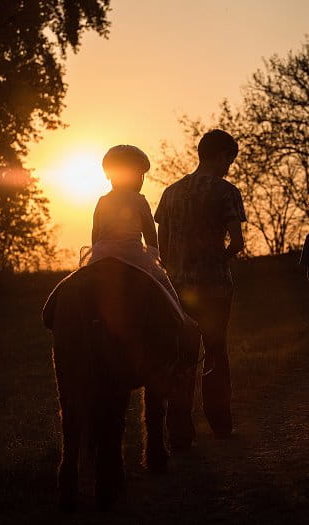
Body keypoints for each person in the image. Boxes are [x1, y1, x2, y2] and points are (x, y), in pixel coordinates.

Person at [155, 129, 246, 444]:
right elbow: (237, 241)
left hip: (178, 288)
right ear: (221, 155)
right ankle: (220, 424)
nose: (228, 168)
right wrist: (218, 257)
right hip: (215, 287)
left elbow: (160, 245)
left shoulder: (170, 193)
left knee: (182, 356)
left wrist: (175, 267)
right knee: (215, 352)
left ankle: (179, 431)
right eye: (229, 160)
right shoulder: (226, 191)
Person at [83, 144, 184, 319]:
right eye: (140, 174)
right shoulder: (139, 200)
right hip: (134, 256)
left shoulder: (102, 201)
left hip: (101, 256)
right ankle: (183, 323)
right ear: (136, 176)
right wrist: (160, 263)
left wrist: (96, 256)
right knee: (170, 296)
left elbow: (95, 237)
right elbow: (151, 239)